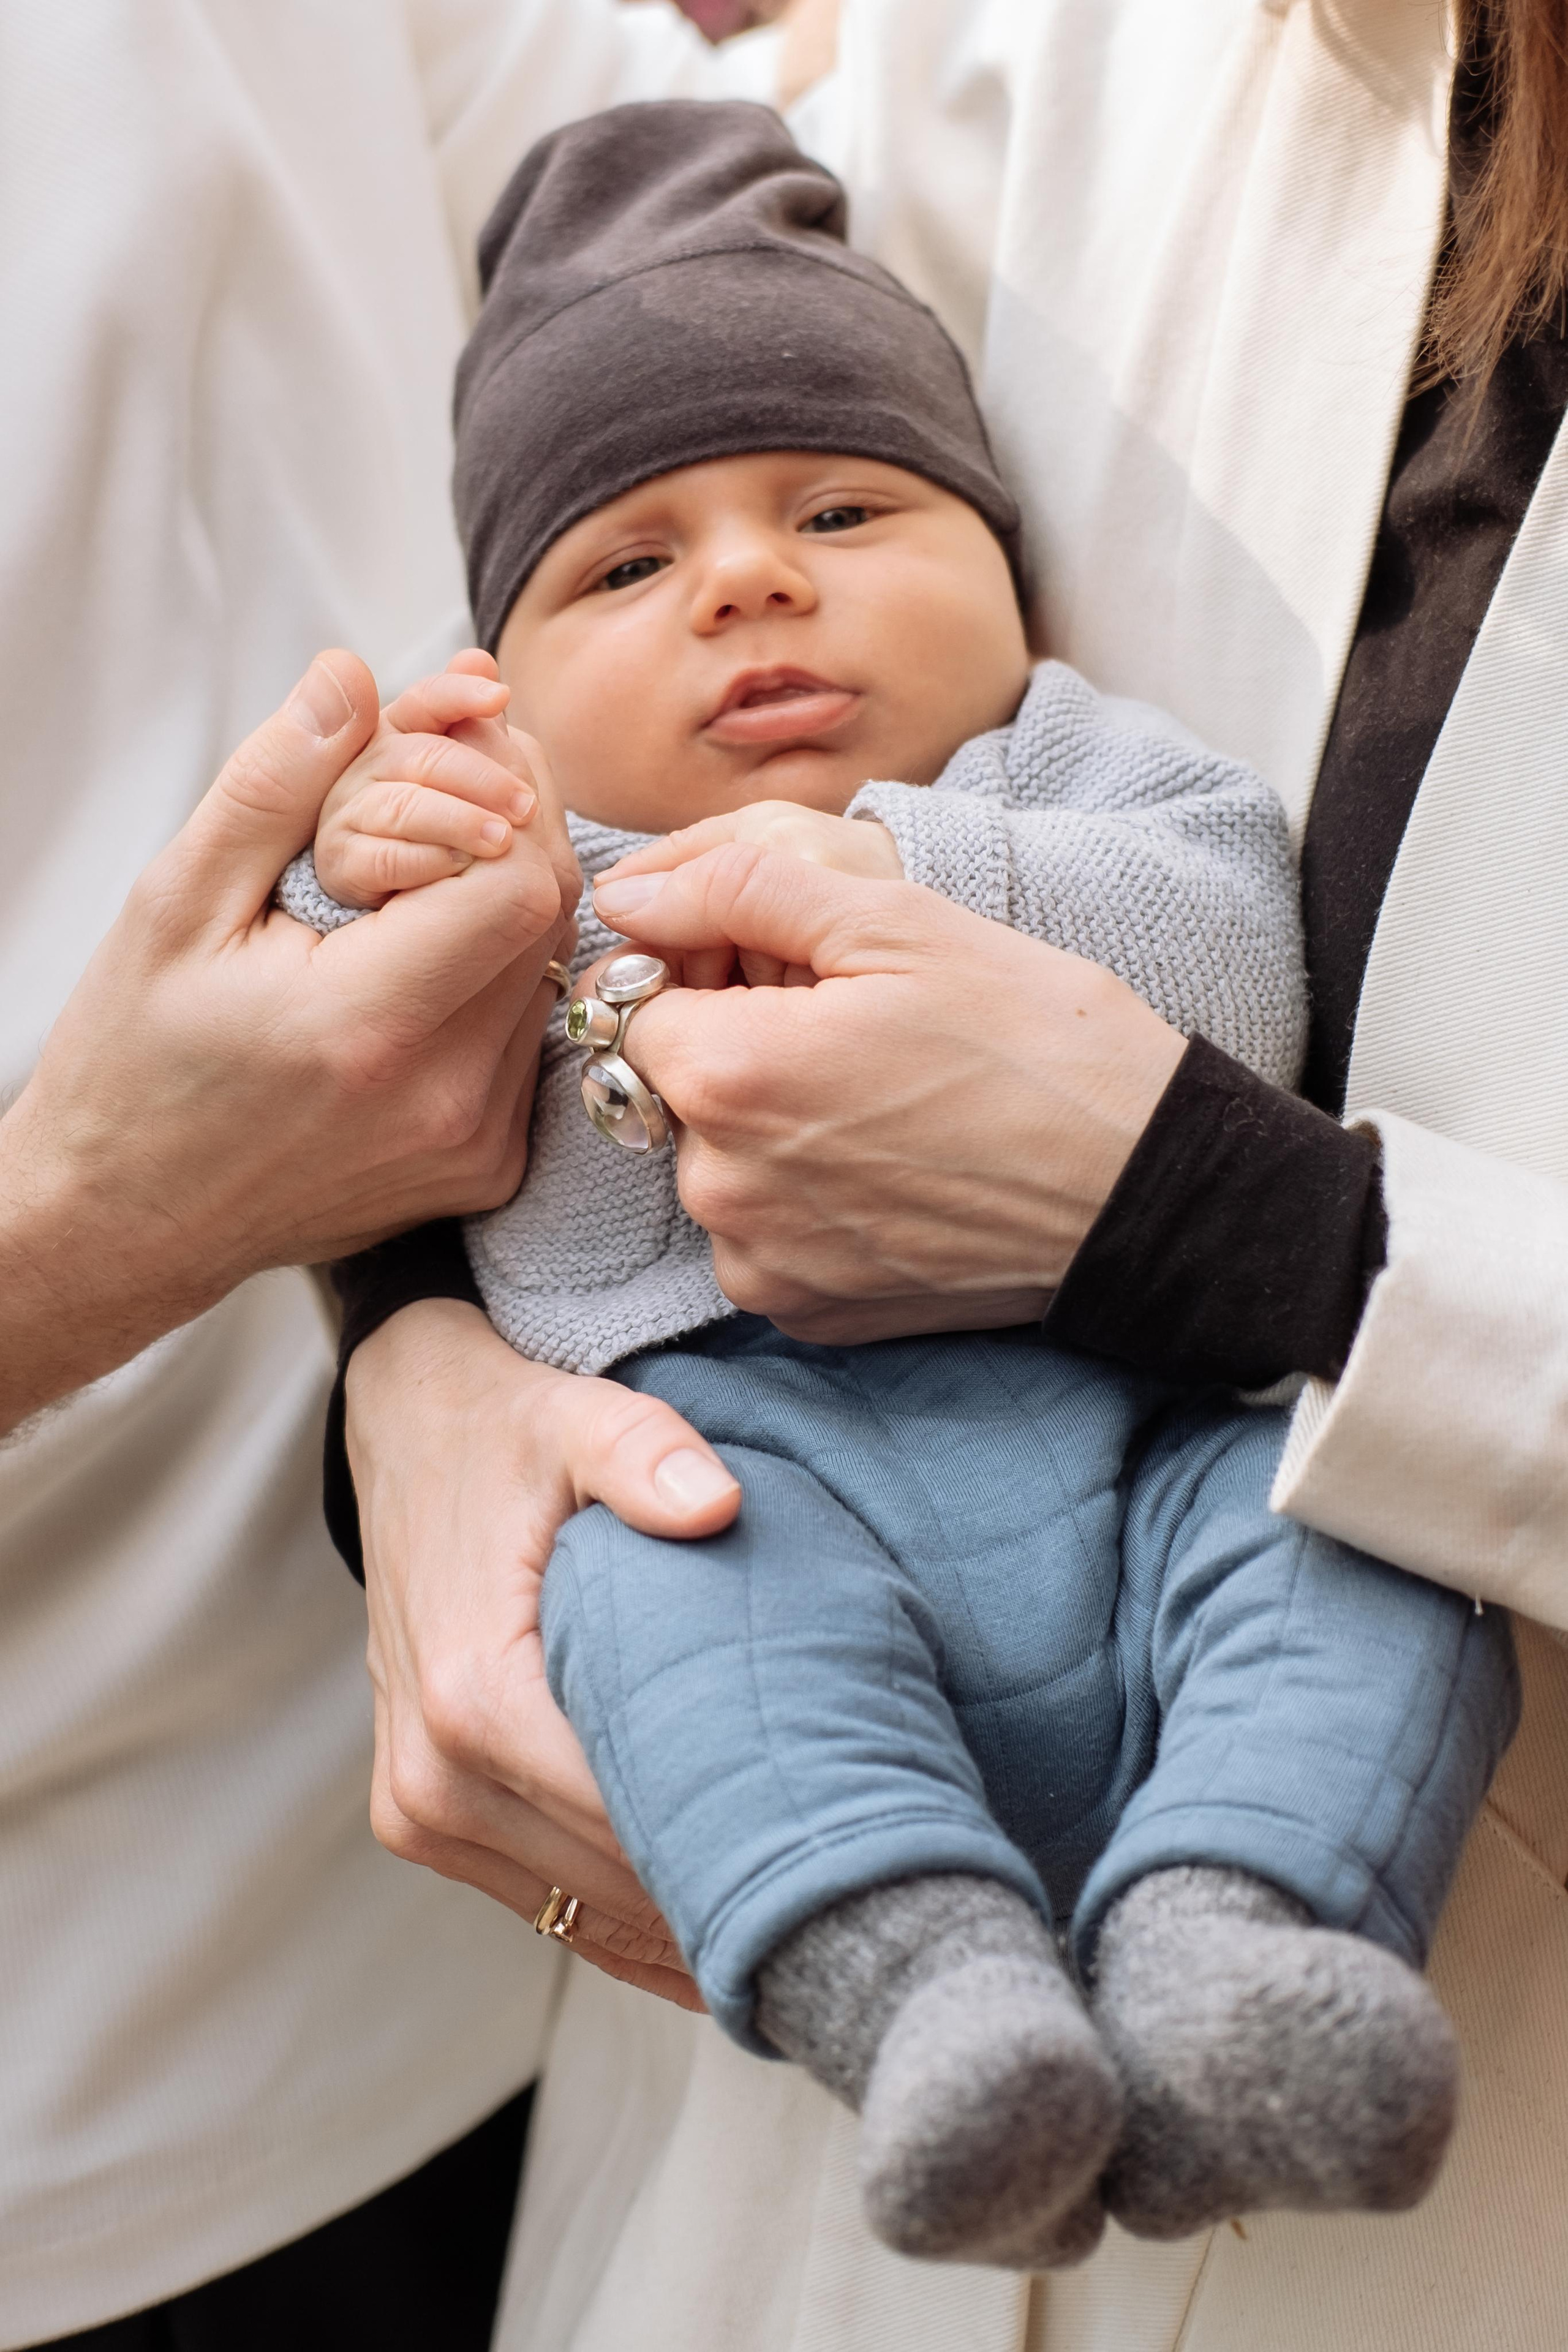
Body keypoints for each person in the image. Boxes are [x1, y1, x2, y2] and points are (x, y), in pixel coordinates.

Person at [328, 2, 1568, 2348]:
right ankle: (912, 1980)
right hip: (765, 2094)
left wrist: (1257, 1231)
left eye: (838, 516)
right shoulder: (1046, 58)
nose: (752, 588)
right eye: (634, 568)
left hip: (1465, 2130)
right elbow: (313, 1013)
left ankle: (1254, 1929)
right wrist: (410, 1350)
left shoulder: (1059, 781)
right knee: (697, 1617)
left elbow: (1206, 920)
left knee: (1359, 1576)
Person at [0, 5, 821, 2342]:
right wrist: (99, 1231)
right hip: (86, 2137)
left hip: (577, 1896)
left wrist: (420, 1326)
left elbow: (699, 202)